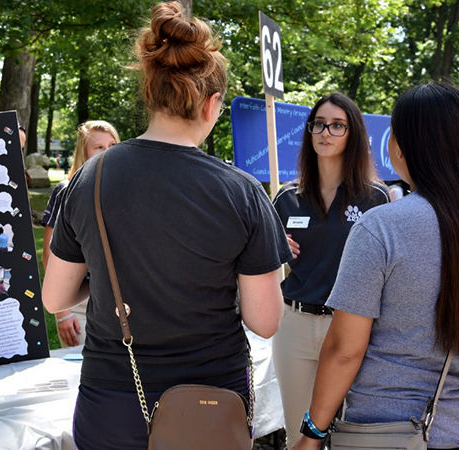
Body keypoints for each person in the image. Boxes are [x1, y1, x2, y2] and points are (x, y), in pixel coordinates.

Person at [41, 2, 290, 448]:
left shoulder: (88, 178)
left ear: (150, 94)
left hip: (112, 399)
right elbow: (265, 321)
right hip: (211, 400)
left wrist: (101, 277)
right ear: (213, 105)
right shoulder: (242, 191)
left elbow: (55, 296)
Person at [291, 83, 459, 449]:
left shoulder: (381, 227)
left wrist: (312, 433)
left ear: (400, 145)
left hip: (385, 430)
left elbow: (345, 349)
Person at [271, 93, 389, 448]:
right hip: (293, 325)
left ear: (353, 135)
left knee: (348, 436)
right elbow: (266, 259)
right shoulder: (286, 197)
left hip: (349, 329)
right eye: (319, 124)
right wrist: (275, 250)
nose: (326, 132)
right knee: (298, 436)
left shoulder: (375, 198)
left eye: (338, 125)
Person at [41, 120, 120, 347]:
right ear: (84, 152)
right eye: (99, 147)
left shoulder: (122, 190)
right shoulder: (67, 190)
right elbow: (49, 255)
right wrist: (62, 312)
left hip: (120, 302)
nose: (107, 152)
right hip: (80, 302)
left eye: (113, 145)